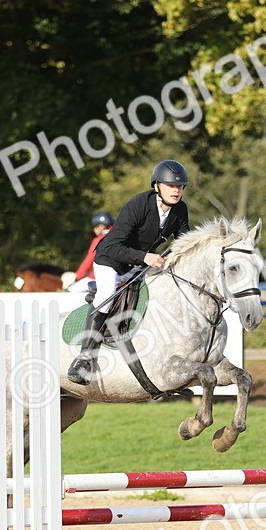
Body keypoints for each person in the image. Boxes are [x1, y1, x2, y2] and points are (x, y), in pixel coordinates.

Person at [66, 159, 191, 384]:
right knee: (105, 296)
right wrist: (145, 257)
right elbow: (113, 245)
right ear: (157, 186)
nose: (176, 190)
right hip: (110, 260)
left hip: (137, 266)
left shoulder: (180, 210)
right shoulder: (139, 205)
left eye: (180, 186)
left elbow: (185, 243)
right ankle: (84, 358)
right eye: (171, 186)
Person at [73, 211, 114, 283]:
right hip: (124, 275)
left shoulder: (98, 240)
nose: (94, 230)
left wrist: (76, 277)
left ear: (101, 226)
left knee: (73, 290)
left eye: (95, 226)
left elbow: (89, 261)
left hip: (100, 277)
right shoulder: (119, 236)